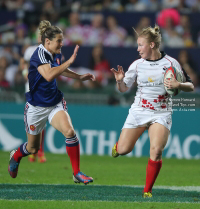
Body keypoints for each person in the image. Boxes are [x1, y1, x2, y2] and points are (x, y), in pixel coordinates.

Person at [111, 25, 194, 198]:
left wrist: (179, 85)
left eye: (141, 45)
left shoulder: (171, 63)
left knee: (156, 150)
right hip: (139, 111)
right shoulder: (137, 65)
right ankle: (118, 146)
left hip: (161, 113)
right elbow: (124, 88)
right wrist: (120, 82)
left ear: (152, 45)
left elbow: (191, 85)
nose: (137, 48)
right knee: (124, 150)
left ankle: (147, 190)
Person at [8, 20, 95, 185]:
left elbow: (59, 68)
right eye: (59, 41)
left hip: (54, 103)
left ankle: (76, 173)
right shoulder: (39, 54)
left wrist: (79, 77)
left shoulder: (54, 53)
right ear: (47, 41)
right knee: (32, 148)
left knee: (69, 131)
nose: (62, 44)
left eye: (62, 40)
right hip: (36, 107)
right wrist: (70, 61)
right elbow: (49, 75)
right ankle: (16, 155)